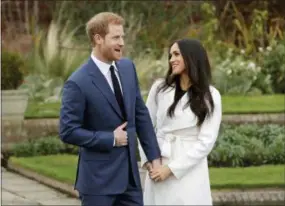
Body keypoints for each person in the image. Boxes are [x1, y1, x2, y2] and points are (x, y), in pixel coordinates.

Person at [59, 12, 161, 206]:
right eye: (116, 37)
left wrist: (153, 156)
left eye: (122, 37)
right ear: (98, 39)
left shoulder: (128, 68)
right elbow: (68, 131)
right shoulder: (78, 82)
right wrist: (111, 139)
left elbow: (140, 115)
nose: (122, 42)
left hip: (130, 181)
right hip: (97, 184)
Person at [138, 38, 222, 205]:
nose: (171, 60)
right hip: (158, 161)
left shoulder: (211, 96)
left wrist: (170, 169)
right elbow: (144, 124)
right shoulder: (159, 88)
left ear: (191, 57)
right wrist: (148, 160)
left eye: (176, 54)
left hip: (188, 168)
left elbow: (206, 142)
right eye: (170, 55)